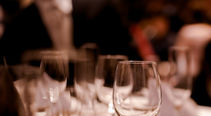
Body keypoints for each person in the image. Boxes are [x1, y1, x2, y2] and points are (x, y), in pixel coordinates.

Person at [0, 0, 139, 65]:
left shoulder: (101, 8)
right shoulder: (19, 21)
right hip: (46, 103)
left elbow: (127, 59)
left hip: (101, 103)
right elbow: (10, 63)